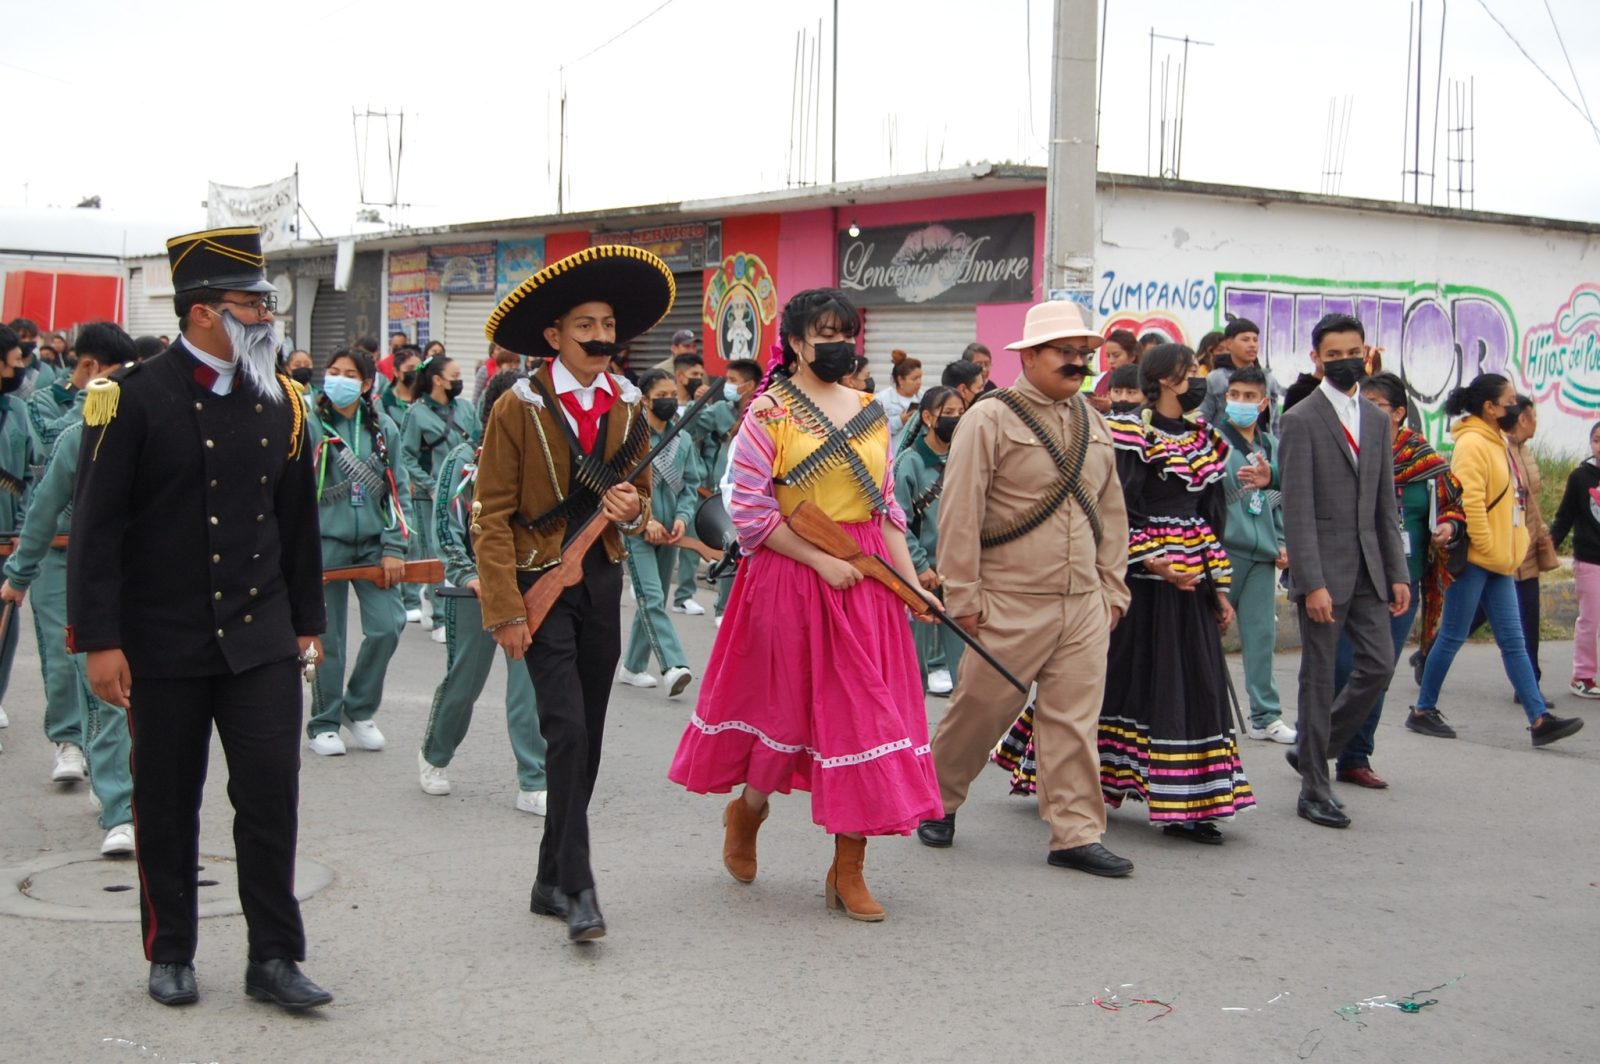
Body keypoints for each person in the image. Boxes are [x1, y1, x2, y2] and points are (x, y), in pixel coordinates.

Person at [67, 226, 331, 1009]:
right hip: (163, 640)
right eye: (255, 303)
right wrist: (100, 641)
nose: (268, 317)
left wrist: (306, 621)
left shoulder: (280, 399)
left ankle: (275, 958)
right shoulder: (130, 397)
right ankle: (171, 950)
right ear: (207, 312)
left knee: (269, 799)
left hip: (260, 639)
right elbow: (97, 531)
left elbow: (296, 525)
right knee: (166, 801)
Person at [669, 285, 943, 921]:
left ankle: (849, 870)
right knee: (785, 721)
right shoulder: (768, 413)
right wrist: (822, 561)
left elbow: (888, 511)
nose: (838, 345)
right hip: (792, 577)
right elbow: (751, 511)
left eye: (845, 332)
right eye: (824, 334)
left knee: (867, 720)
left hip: (868, 583)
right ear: (794, 342)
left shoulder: (875, 411)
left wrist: (913, 585)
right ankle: (748, 811)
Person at [473, 244, 664, 942]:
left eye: (608, 322)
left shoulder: (632, 404)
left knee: (590, 737)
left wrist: (629, 511)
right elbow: (490, 514)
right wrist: (502, 610)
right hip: (536, 585)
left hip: (602, 579)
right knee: (567, 733)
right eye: (584, 324)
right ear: (553, 336)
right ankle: (580, 888)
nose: (599, 336)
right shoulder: (518, 407)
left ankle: (548, 878)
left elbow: (642, 507)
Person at [916, 300, 1134, 878]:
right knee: (980, 711)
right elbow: (959, 513)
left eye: (1084, 354)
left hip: (1083, 602)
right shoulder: (990, 418)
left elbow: (1112, 514)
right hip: (1008, 600)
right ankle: (937, 797)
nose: (1078, 364)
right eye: (1065, 353)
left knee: (1072, 721)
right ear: (1030, 356)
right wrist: (962, 596)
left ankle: (1075, 832)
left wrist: (1114, 589)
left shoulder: (1095, 422)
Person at [1098, 344, 1254, 843]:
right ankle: (1086, 778)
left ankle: (1191, 799)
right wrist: (1151, 562)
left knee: (1195, 682)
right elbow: (1120, 506)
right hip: (1145, 581)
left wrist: (1218, 588)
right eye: (1192, 373)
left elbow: (1212, 517)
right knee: (1126, 679)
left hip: (1192, 577)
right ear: (1166, 380)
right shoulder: (1131, 433)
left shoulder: (1205, 438)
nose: (1199, 381)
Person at [1, 322, 138, 854]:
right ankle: (118, 805)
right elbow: (42, 508)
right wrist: (19, 576)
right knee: (100, 684)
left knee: (155, 694)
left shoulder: (171, 428)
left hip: (155, 581)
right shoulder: (82, 428)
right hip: (86, 571)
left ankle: (142, 795)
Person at [1277, 313, 1412, 829]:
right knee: (1317, 680)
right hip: (1324, 577)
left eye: (1351, 352)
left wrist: (1397, 572)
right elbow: (1298, 507)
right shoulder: (1301, 419)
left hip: (1371, 572)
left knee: (1378, 664)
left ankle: (1315, 746)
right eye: (1333, 355)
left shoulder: (1377, 421)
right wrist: (1310, 582)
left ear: (1367, 352)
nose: (1343, 361)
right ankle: (1314, 788)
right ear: (1316, 360)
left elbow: (1384, 504)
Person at [1410, 373, 1583, 747]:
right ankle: (1422, 710)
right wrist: (1487, 547)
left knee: (1514, 641)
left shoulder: (1497, 441)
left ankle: (1539, 719)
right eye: (1508, 401)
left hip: (1499, 560)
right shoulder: (1473, 443)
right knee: (1453, 636)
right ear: (1490, 408)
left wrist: (1512, 546)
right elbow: (1468, 501)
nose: (1515, 406)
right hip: (1478, 558)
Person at [417, 369, 548, 813]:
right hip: (471, 590)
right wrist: (469, 574)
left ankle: (533, 780)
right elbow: (446, 526)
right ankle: (434, 754)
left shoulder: (541, 456)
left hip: (523, 587)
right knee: (464, 682)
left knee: (526, 684)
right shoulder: (463, 460)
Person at [1329, 372, 1463, 789]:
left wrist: (1449, 529)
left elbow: (1454, 509)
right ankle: (1321, 744)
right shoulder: (1348, 453)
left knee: (1378, 672)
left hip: (1402, 584)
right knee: (1342, 668)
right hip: (1351, 579)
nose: (1365, 413)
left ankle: (1355, 756)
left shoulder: (1426, 463)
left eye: (1376, 405)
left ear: (1399, 413)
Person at [304, 348, 410, 756]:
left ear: (367, 384)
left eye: (350, 374)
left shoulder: (384, 428)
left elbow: (396, 488)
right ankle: (324, 722)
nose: (339, 380)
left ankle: (359, 708)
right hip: (322, 545)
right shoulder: (309, 425)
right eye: (333, 372)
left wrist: (394, 546)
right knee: (325, 640)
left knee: (388, 625)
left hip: (372, 545)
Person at [1217, 364, 1294, 744]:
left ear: (1263, 403)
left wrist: (1281, 541)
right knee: (1205, 635)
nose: (1241, 403)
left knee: (1261, 638)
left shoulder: (1271, 447)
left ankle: (1266, 715)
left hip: (1262, 555)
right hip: (1223, 553)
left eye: (1250, 397)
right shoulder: (1213, 442)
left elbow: (1276, 501)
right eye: (1235, 396)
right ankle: (1206, 714)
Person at [615, 369, 702, 697]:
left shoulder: (682, 437)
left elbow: (691, 484)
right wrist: (643, 519)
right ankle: (673, 665)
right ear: (645, 400)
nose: (669, 401)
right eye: (661, 396)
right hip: (636, 530)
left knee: (655, 600)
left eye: (672, 395)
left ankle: (633, 666)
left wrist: (682, 517)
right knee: (650, 597)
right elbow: (619, 486)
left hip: (670, 532)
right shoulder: (631, 438)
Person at [893, 385, 965, 696]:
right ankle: (914, 735)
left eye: (960, 413)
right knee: (914, 664)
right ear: (927, 417)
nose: (955, 419)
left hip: (961, 574)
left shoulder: (965, 455)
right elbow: (897, 522)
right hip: (924, 577)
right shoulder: (910, 462)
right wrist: (919, 565)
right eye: (948, 414)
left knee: (965, 663)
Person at [401, 353, 481, 632]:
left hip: (466, 494)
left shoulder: (466, 409)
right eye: (455, 377)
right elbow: (407, 457)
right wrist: (431, 486)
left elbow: (479, 442)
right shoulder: (416, 413)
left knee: (466, 552)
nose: (459, 382)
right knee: (437, 555)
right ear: (437, 380)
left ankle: (451, 608)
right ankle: (438, 618)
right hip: (430, 497)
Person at [0, 325, 43, 747]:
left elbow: (33, 471)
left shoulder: (17, 410)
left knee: (4, 627)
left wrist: (25, 523)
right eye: (14, 363)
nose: (20, 370)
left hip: (5, 538)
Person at [668, 351, 729, 617]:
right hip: (664, 483)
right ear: (680, 377)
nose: (698, 380)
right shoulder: (666, 402)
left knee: (691, 541)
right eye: (694, 376)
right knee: (663, 539)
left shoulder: (703, 409)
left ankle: (683, 596)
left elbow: (706, 440)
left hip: (693, 485)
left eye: (700, 376)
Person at [1504, 396, 1556, 695]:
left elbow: (1532, 501)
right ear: (1523, 418)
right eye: (1533, 416)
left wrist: (1542, 534)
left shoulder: (1525, 450)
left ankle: (1529, 683)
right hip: (1509, 546)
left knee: (1529, 616)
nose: (1536, 422)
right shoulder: (1503, 450)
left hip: (1529, 544)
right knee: (1479, 614)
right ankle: (1430, 655)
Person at [709, 358, 762, 625]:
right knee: (730, 550)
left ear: (750, 385)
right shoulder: (721, 409)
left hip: (750, 500)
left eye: (732, 381)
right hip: (727, 495)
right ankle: (722, 608)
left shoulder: (761, 414)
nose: (727, 386)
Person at [1551, 422, 1600, 699]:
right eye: (1596, 440)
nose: (1599, 446)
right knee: (1590, 620)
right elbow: (1564, 516)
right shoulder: (1581, 477)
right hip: (1590, 560)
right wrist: (1550, 545)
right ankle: (1583, 676)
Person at [1201, 318, 1282, 432]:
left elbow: (1274, 423)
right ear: (1229, 343)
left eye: (1255, 340)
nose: (1252, 345)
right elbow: (1203, 419)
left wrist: (1274, 446)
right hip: (1224, 445)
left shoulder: (1268, 379)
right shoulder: (1216, 379)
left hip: (1262, 445)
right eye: (1245, 340)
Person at [877, 350, 923, 427]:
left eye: (920, 378)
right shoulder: (882, 399)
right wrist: (899, 421)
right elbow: (875, 427)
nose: (919, 382)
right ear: (901, 380)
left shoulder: (923, 398)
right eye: (914, 379)